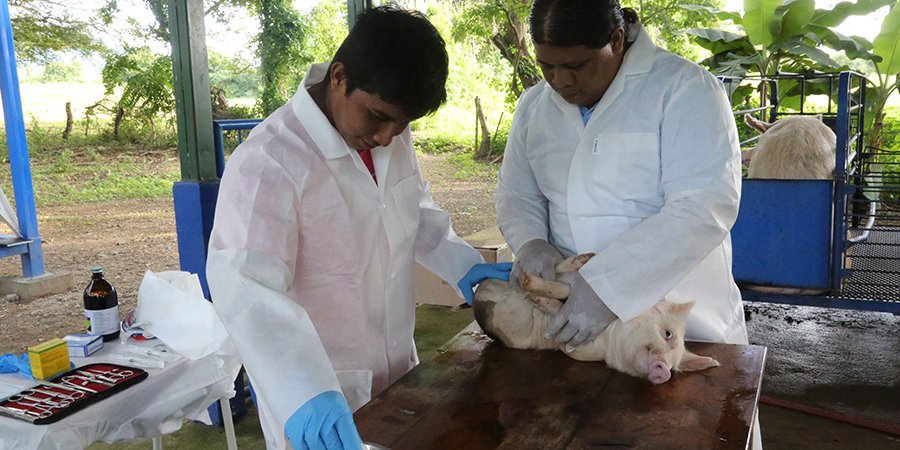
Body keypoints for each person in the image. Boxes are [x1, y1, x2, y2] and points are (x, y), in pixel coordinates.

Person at [206, 6, 511, 450]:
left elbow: (412, 208)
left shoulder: (386, 135)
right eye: (377, 116)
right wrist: (303, 390)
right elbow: (244, 286)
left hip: (398, 372)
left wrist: (461, 262)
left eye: (402, 124)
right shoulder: (269, 160)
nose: (388, 136)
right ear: (338, 77)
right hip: (319, 393)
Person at [496, 0, 761, 447]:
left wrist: (608, 287)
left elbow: (704, 205)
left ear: (616, 41)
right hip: (573, 335)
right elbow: (518, 194)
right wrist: (533, 244)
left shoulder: (685, 90)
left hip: (680, 339)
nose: (561, 81)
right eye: (546, 66)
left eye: (576, 65)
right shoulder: (534, 107)